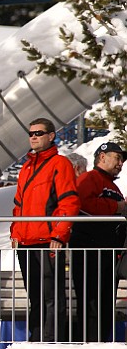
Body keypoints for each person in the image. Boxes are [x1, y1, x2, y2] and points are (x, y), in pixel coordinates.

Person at [10, 117, 81, 342]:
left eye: (38, 133)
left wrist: (59, 235)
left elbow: (69, 202)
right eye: (31, 133)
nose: (33, 137)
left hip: (47, 240)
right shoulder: (26, 167)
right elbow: (18, 205)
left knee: (51, 295)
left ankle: (51, 340)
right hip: (26, 241)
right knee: (35, 295)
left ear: (51, 136)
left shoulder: (60, 163)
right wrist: (15, 233)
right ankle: (36, 338)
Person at [70, 142, 126, 342]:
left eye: (122, 160)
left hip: (108, 253)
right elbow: (82, 204)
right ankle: (90, 342)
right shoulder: (90, 178)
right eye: (117, 158)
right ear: (102, 157)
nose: (120, 163)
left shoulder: (112, 185)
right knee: (92, 300)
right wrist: (116, 207)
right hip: (90, 250)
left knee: (104, 302)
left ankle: (100, 341)